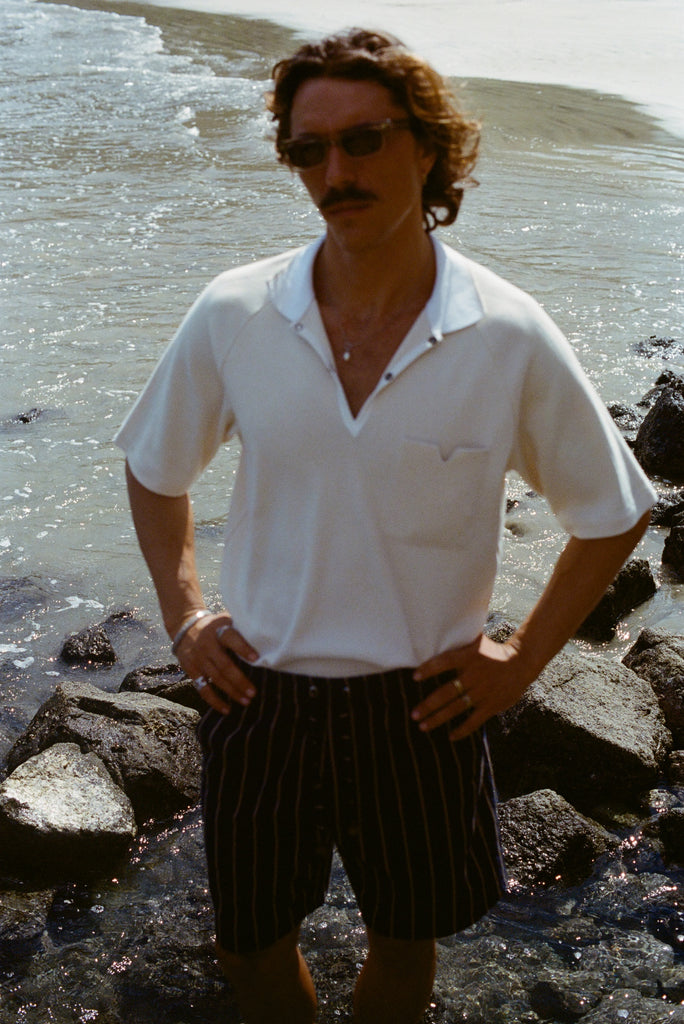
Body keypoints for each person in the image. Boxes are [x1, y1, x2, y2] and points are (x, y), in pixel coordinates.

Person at [115, 27, 656, 1024]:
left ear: (428, 146)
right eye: (309, 149)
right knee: (248, 943)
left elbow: (616, 512)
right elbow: (154, 467)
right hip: (259, 693)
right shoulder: (236, 311)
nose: (336, 173)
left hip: (423, 703)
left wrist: (520, 663)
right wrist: (186, 614)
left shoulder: (504, 331)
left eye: (363, 141)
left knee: (405, 937)